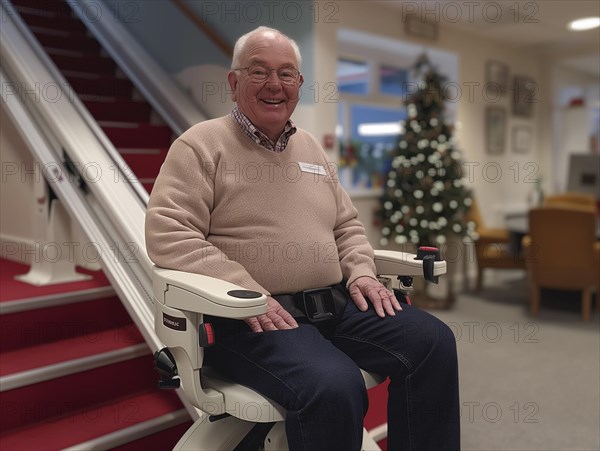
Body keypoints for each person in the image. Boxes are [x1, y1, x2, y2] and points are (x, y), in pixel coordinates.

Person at [145, 26, 459, 451]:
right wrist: (247, 291)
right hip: (252, 321)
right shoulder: (201, 145)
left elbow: (346, 226)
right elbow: (169, 233)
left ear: (299, 84)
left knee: (432, 342)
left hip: (336, 305)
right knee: (333, 383)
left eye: (287, 74)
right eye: (260, 72)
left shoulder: (310, 149)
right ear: (234, 82)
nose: (275, 85)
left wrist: (362, 273)